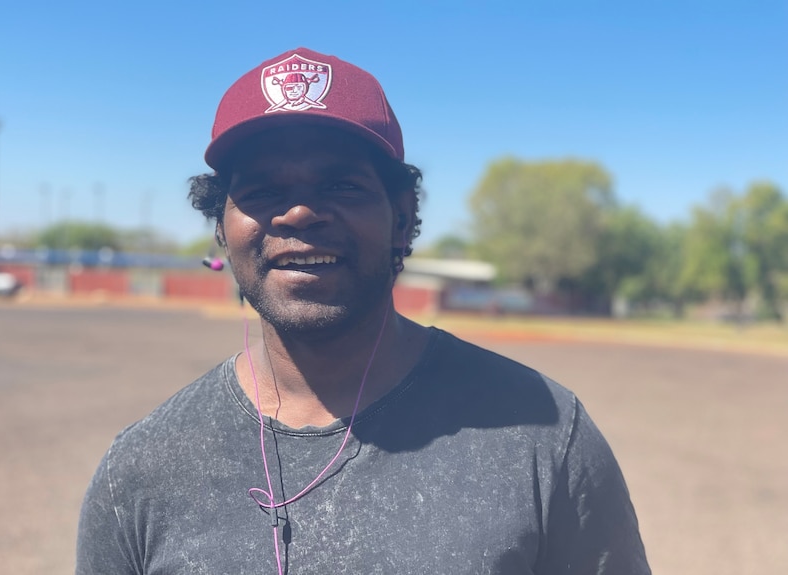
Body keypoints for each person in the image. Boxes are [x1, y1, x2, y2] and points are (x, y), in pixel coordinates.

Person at [76, 47, 651, 574]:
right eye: (261, 191)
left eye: (342, 186)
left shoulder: (542, 434)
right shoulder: (143, 470)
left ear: (402, 217)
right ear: (222, 231)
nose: (298, 214)